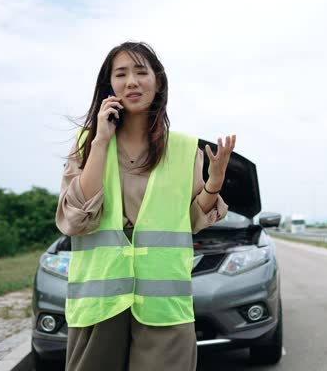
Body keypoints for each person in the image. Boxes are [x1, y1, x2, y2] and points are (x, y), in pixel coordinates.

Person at [55, 41, 235, 371]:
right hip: (100, 302)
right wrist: (101, 141)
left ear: (158, 81)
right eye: (121, 74)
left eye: (141, 72)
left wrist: (215, 181)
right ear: (109, 85)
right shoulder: (88, 143)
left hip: (163, 305)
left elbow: (193, 219)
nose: (132, 82)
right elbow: (77, 218)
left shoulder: (184, 149)